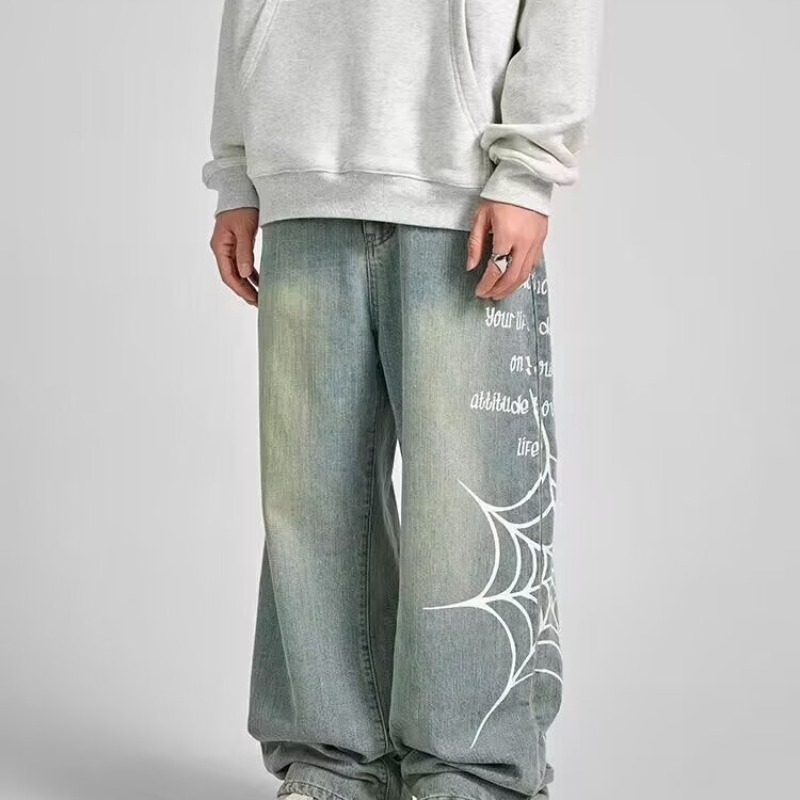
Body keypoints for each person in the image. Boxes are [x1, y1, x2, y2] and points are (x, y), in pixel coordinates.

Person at [201, 2, 601, 799]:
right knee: (310, 502)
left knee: (466, 508)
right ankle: (332, 764)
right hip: (299, 179)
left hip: (460, 185)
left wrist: (529, 168)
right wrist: (238, 169)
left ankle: (473, 775)